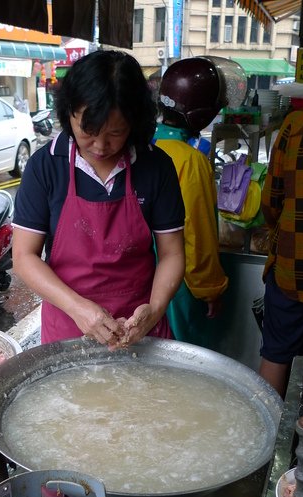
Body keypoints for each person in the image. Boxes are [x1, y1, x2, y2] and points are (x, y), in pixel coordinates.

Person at [13, 50, 185, 349]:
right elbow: (24, 256)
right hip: (68, 325)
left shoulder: (156, 166)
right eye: (88, 132)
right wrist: (79, 309)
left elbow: (171, 253)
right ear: (69, 113)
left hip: (139, 328)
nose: (101, 146)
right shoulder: (46, 165)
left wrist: (155, 309)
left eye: (115, 133)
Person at [154, 57, 229, 346]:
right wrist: (211, 289)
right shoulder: (191, 160)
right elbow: (198, 235)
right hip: (179, 288)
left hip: (142, 282)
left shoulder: (144, 146)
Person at [258, 86, 303, 399]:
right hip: (293, 264)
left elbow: (272, 199)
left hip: (293, 264)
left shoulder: (296, 125)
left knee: (277, 354)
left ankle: (267, 438)